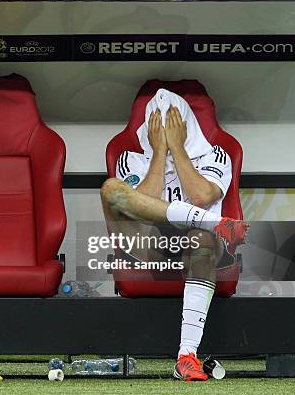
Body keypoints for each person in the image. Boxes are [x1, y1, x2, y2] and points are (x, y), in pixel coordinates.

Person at [100, 88, 248, 381]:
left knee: (202, 238)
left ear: (187, 124)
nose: (165, 130)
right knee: (111, 190)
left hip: (197, 246)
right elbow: (139, 208)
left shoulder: (215, 155)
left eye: (173, 123)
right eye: (159, 123)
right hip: (148, 244)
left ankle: (186, 356)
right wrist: (158, 153)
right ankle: (214, 223)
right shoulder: (131, 160)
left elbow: (203, 195)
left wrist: (178, 149)